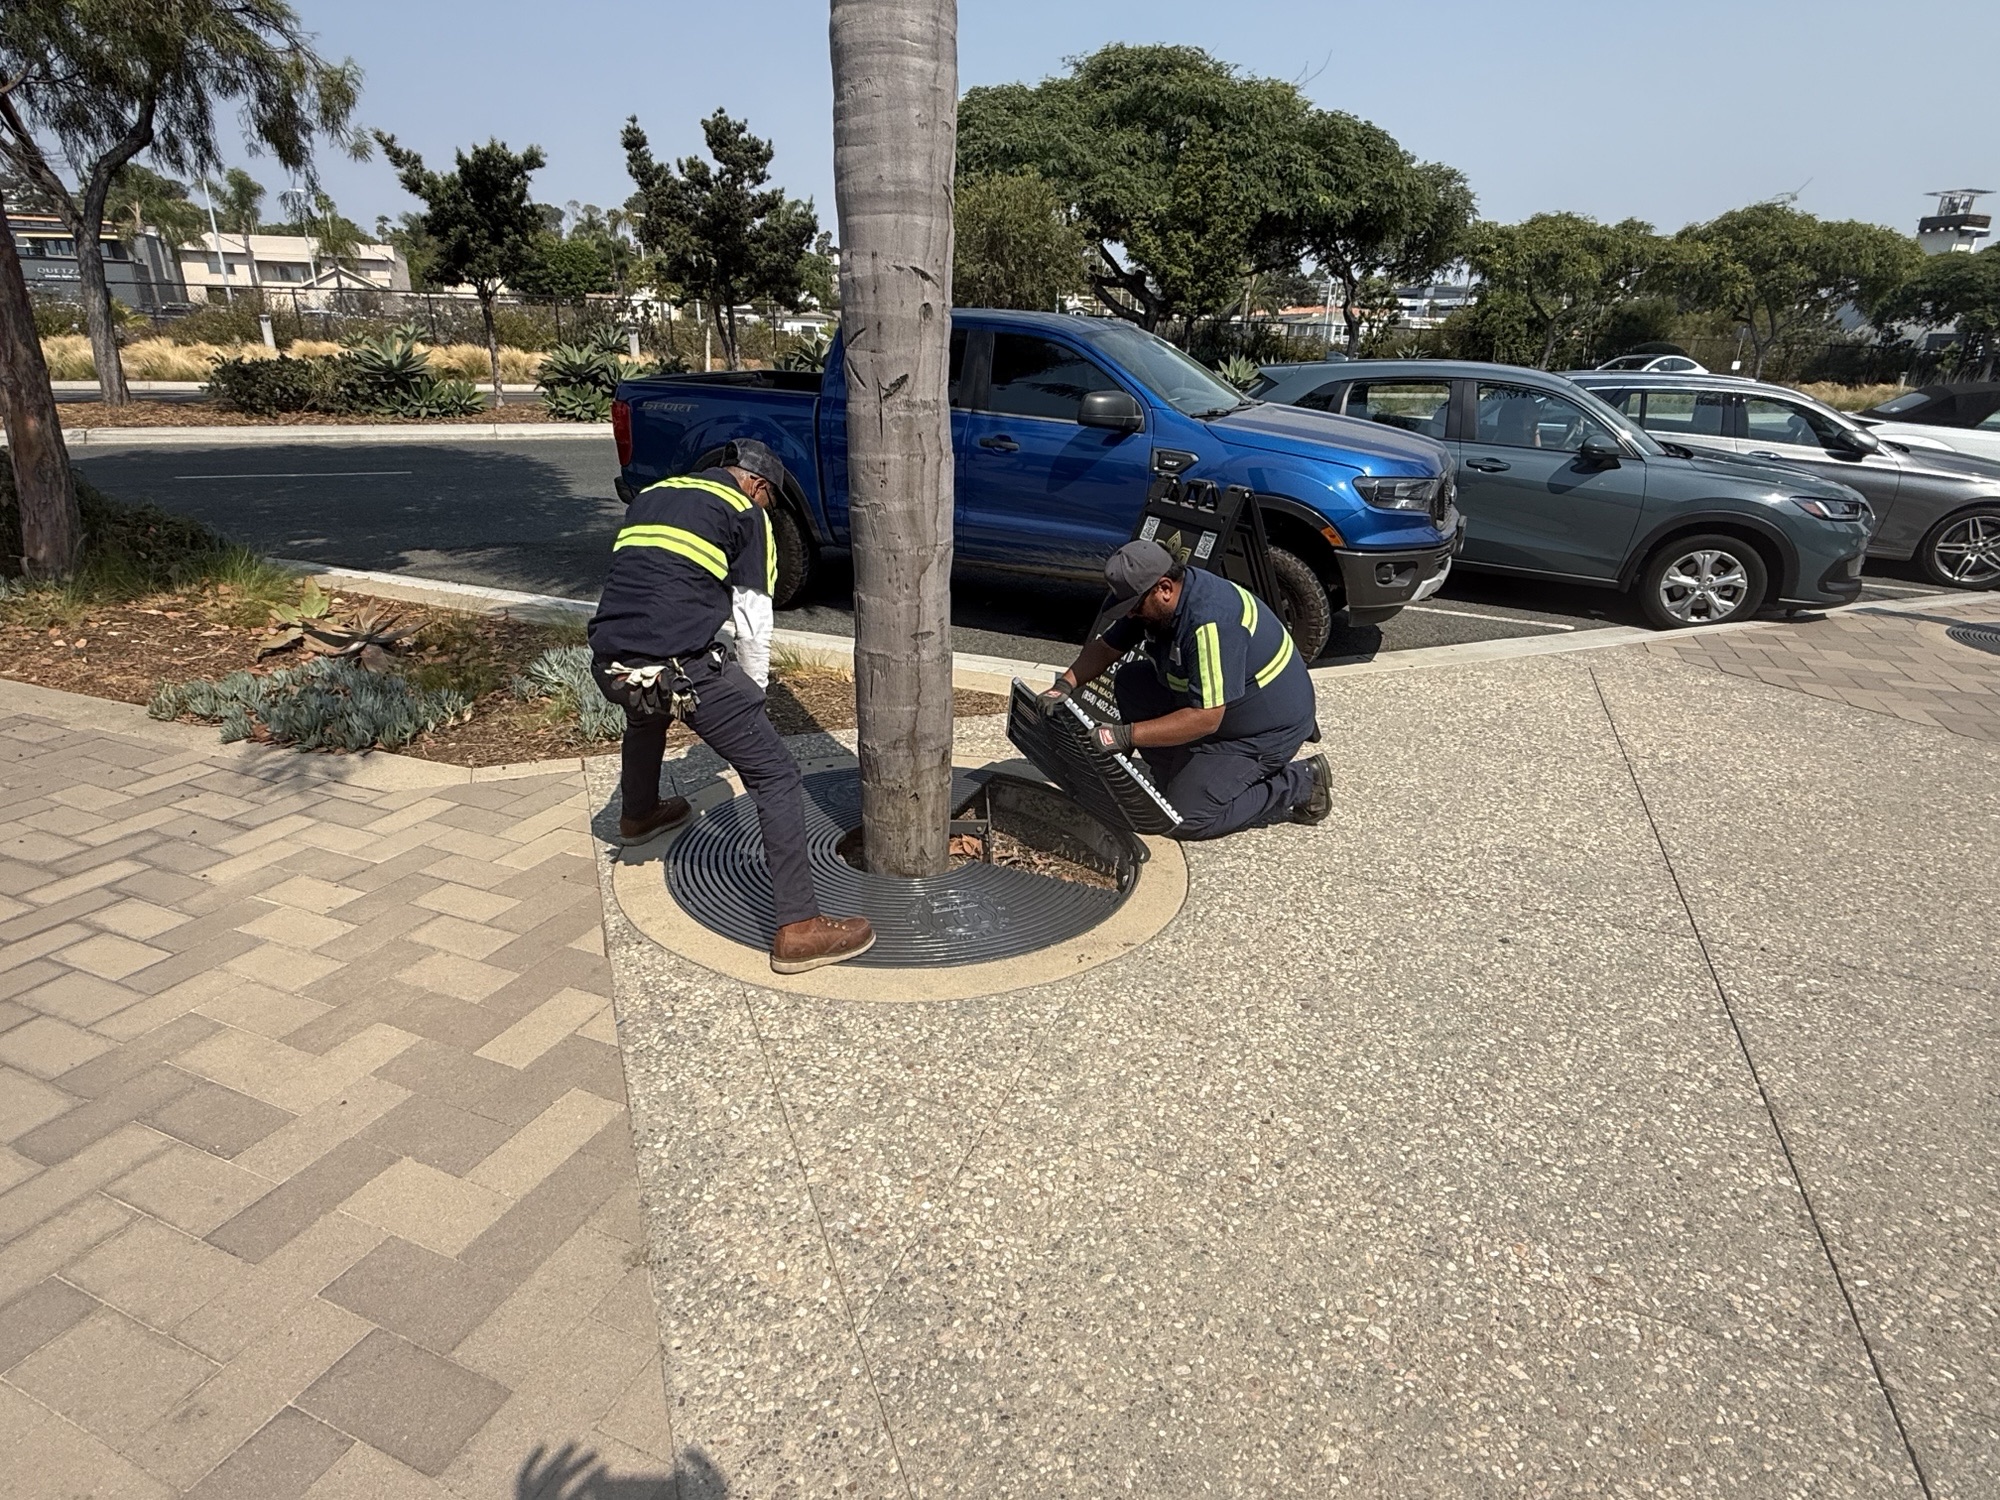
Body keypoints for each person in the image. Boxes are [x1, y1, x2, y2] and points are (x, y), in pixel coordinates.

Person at [588, 438, 874, 973]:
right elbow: (752, 619)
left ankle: (639, 814)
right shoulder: (745, 511)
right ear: (758, 485)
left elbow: (648, 582)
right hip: (680, 669)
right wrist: (753, 697)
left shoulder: (654, 494)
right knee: (775, 775)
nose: (767, 509)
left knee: (644, 712)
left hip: (611, 659)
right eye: (771, 501)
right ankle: (799, 928)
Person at [1043, 539, 1332, 839]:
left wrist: (1123, 735)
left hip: (1262, 730)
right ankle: (1178, 778)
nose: (1130, 615)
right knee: (1132, 681)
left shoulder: (1210, 623)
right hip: (1225, 710)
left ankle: (1301, 783)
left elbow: (1206, 718)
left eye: (1134, 607)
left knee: (1182, 818)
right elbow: (1105, 649)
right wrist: (1064, 686)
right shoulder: (1156, 601)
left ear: (1164, 588)